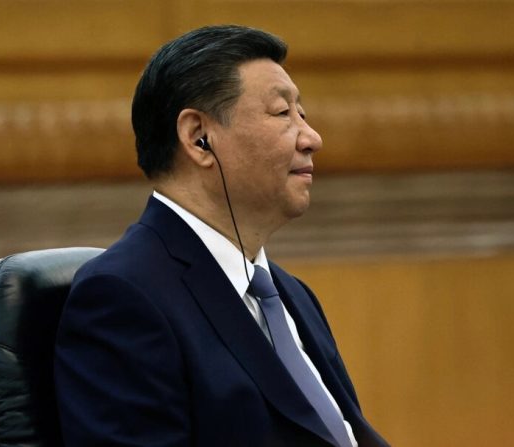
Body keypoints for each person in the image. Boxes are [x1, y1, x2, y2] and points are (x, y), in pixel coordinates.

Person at [54, 25, 389, 447]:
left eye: (302, 114)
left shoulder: (291, 295)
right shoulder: (123, 297)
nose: (313, 138)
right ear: (199, 138)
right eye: (283, 113)